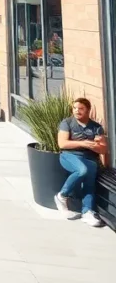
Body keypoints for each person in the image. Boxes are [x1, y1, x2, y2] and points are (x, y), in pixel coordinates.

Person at [54, 97, 108, 227]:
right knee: (81, 170)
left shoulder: (96, 127)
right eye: (75, 108)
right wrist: (83, 143)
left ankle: (87, 212)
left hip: (89, 158)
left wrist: (94, 146)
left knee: (89, 185)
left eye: (81, 109)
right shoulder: (67, 123)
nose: (77, 111)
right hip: (70, 156)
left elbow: (103, 149)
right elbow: (62, 144)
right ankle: (62, 195)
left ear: (88, 110)